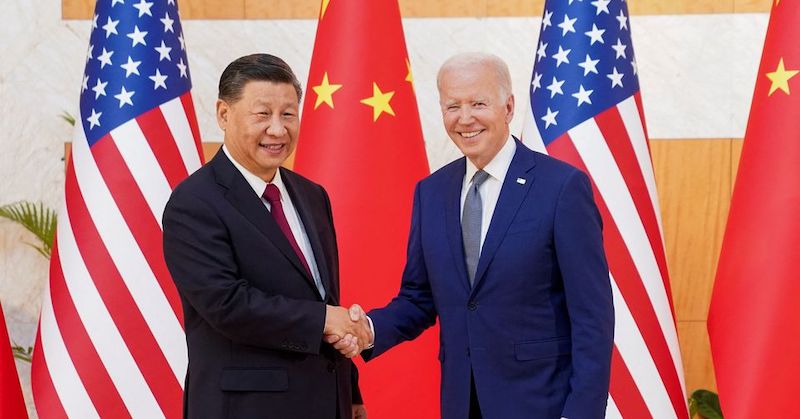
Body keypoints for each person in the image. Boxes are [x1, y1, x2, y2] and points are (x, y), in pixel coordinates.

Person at [332, 52, 614, 419]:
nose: (465, 119)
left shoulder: (561, 187)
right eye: (452, 106)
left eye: (478, 103)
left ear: (508, 107)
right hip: (462, 403)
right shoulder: (431, 192)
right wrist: (368, 330)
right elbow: (419, 298)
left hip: (542, 403)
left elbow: (593, 316)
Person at [163, 53, 370, 419]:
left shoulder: (311, 195)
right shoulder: (193, 202)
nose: (278, 129)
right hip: (246, 407)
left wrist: (349, 389)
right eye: (262, 114)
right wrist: (324, 319)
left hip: (327, 402)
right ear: (224, 114)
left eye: (288, 114)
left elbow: (323, 294)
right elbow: (227, 305)